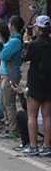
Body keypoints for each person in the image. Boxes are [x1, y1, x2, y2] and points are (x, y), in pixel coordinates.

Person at [22, 15, 51, 156]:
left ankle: (33, 146)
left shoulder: (34, 44)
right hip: (49, 82)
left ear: (38, 28)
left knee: (32, 115)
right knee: (47, 116)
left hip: (35, 82)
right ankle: (46, 146)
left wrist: (26, 41)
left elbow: (25, 57)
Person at [0, 15, 24, 139]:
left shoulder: (15, 41)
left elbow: (4, 55)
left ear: (12, 26)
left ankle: (12, 129)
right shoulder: (12, 40)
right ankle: (8, 125)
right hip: (5, 74)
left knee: (9, 103)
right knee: (3, 101)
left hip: (10, 74)